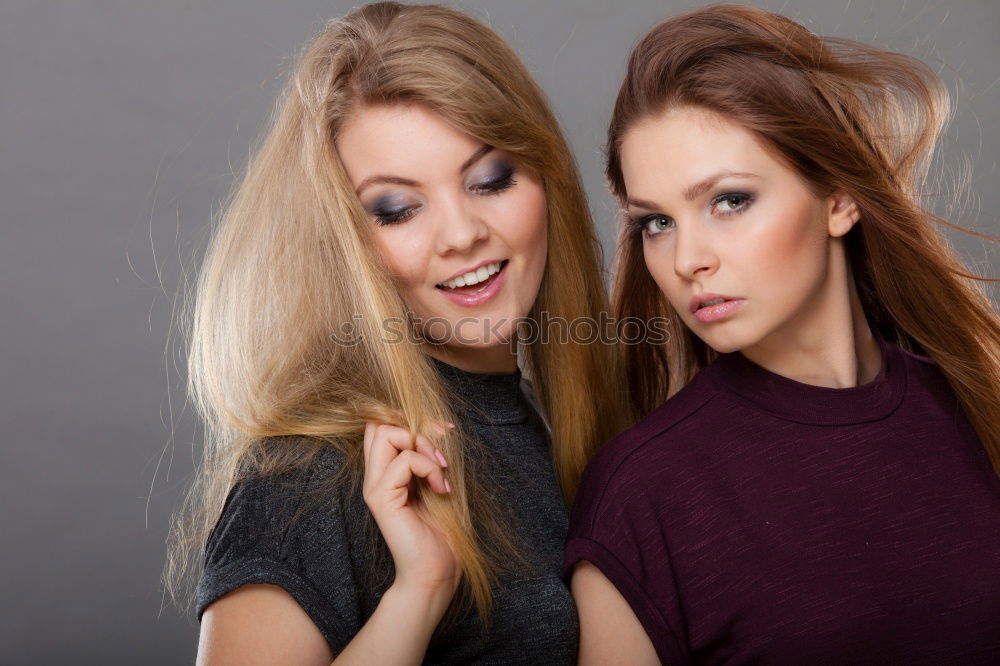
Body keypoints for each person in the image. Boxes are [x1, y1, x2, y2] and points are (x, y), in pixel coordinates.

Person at [162, 3, 626, 664]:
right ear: (344, 241)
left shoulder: (553, 429)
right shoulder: (309, 475)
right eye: (398, 209)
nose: (463, 233)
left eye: (491, 179)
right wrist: (420, 591)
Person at [565, 5, 1000, 664]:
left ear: (838, 198)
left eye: (729, 201)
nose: (686, 261)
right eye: (657, 222)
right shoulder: (643, 495)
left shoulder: (979, 402)